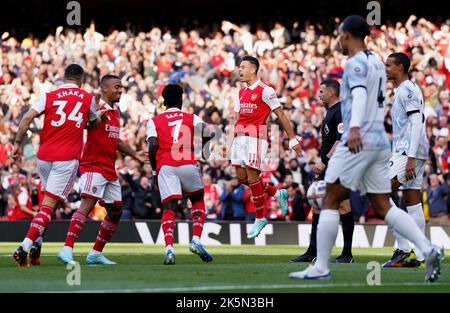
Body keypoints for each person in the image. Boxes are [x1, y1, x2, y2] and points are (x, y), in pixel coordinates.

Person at [288, 15, 444, 283]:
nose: (338, 39)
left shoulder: (356, 63)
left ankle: (321, 266)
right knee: (384, 205)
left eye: (339, 34)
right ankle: (428, 250)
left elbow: (359, 94)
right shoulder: (375, 62)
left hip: (359, 139)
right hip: (382, 144)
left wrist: (356, 127)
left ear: (347, 35)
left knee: (329, 199)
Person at [12, 64, 103, 267]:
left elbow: (27, 118)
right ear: (81, 79)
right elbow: (95, 124)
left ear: (64, 78)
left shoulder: (49, 95)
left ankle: (36, 248)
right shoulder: (87, 98)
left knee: (47, 207)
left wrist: (17, 145)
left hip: (43, 157)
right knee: (49, 207)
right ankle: (24, 247)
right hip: (66, 158)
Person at [57, 75, 146, 265]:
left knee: (116, 210)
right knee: (87, 206)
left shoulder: (116, 111)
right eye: (116, 87)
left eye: (121, 87)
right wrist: (94, 116)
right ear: (104, 89)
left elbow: (116, 140)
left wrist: (135, 155)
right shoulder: (95, 107)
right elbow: (86, 125)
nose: (120, 90)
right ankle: (67, 249)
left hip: (108, 168)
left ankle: (96, 253)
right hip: (93, 166)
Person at [232, 56, 301, 239]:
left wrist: (292, 139)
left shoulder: (265, 90)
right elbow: (237, 117)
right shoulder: (240, 92)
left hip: (256, 137)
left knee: (253, 177)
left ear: (253, 69)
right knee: (241, 178)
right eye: (239, 67)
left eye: (243, 67)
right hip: (240, 137)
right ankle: (277, 193)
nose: (239, 70)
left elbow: (280, 114)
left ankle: (260, 218)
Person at [147, 84, 214, 265]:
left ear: (164, 101)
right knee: (198, 199)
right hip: (187, 162)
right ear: (181, 100)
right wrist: (205, 154)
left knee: (170, 208)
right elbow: (207, 132)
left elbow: (152, 145)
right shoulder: (191, 117)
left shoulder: (154, 121)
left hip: (166, 166)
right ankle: (196, 240)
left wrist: (155, 172)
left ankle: (169, 248)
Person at [291, 79, 355, 264]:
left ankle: (347, 254)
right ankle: (312, 250)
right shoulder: (331, 112)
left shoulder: (340, 110)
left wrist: (324, 161)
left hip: (338, 164)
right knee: (317, 204)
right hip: (330, 165)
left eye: (321, 92)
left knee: (343, 206)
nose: (318, 95)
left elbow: (341, 139)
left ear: (332, 93)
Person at [383, 52, 430, 268]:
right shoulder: (406, 89)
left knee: (380, 194)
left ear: (400, 67)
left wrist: (410, 157)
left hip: (407, 152)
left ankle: (403, 249)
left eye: (389, 65)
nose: (386, 68)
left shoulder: (407, 90)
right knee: (412, 199)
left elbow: (416, 124)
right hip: (414, 151)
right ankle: (421, 255)